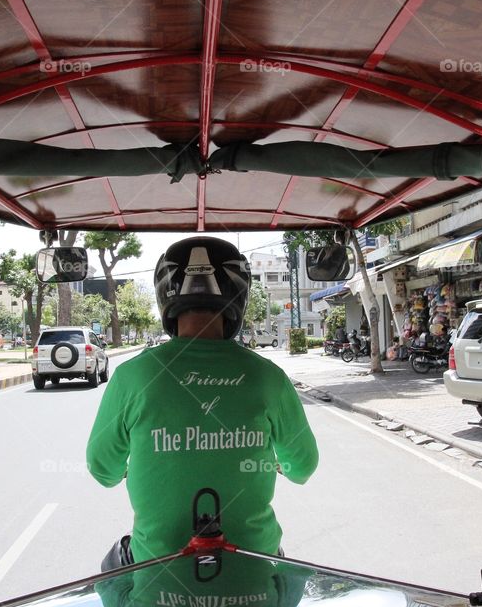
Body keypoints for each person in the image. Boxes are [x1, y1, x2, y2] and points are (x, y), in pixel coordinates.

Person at [87, 237, 319, 569]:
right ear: (239, 297)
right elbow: (303, 467)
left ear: (165, 297)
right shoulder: (269, 377)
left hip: (157, 571)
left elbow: (103, 471)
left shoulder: (131, 376)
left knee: (113, 565)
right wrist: (277, 463)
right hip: (254, 566)